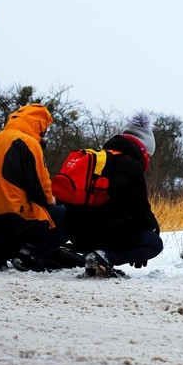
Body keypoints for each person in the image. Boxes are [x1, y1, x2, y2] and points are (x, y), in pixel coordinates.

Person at [0, 103, 69, 271]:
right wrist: (52, 202)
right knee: (66, 218)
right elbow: (41, 189)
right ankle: (31, 254)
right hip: (12, 215)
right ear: (38, 125)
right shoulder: (28, 143)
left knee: (21, 218)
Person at [63, 112, 163, 277]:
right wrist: (152, 228)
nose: (149, 160)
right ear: (143, 149)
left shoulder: (96, 159)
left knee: (113, 224)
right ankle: (105, 257)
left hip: (75, 231)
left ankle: (95, 258)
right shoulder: (131, 166)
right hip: (104, 233)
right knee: (153, 244)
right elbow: (140, 209)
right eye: (149, 155)